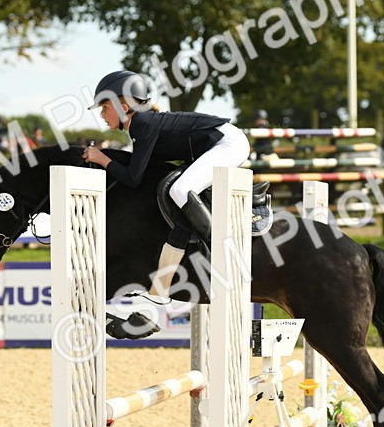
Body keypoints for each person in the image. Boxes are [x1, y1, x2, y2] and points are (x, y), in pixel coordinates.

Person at [80, 70, 263, 336]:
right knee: (175, 190)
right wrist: (104, 158)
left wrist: (102, 159)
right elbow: (139, 171)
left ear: (123, 106)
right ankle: (161, 289)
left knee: (180, 190)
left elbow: (132, 177)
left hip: (228, 144)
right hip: (218, 144)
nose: (101, 114)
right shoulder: (140, 125)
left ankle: (220, 258)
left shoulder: (143, 124)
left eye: (104, 107)